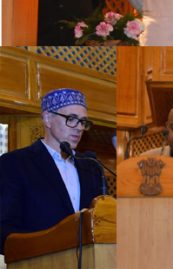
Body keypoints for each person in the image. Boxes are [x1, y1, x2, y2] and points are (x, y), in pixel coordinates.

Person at [0, 88, 103, 254]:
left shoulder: (91, 166)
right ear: (48, 118)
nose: (79, 128)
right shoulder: (14, 164)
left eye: (83, 121)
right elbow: (4, 230)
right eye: (71, 119)